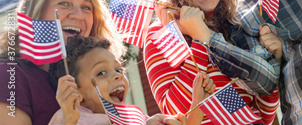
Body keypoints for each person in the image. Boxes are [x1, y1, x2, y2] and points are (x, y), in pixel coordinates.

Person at [143, 0, 280, 124]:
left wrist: (275, 61)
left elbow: (264, 116)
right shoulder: (162, 32)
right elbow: (176, 110)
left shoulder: (238, 26)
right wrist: (200, 41)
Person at [0, 0, 125, 125]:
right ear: (37, 11)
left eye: (86, 7)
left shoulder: (93, 76)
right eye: (64, 3)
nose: (79, 15)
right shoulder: (9, 76)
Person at [48, 35, 204, 125]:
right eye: (101, 73)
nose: (118, 76)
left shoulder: (133, 117)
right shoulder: (71, 118)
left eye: (118, 69)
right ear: (75, 92)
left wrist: (198, 104)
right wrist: (69, 120)